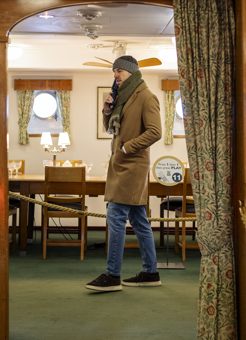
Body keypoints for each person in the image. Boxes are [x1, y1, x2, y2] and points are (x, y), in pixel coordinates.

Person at [86, 55, 162, 292]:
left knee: (116, 217)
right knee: (139, 220)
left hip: (132, 165)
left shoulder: (147, 96)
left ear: (131, 72)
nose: (115, 75)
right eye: (114, 71)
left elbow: (155, 132)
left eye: (118, 71)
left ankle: (112, 275)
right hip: (122, 164)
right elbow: (110, 128)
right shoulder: (125, 97)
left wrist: (127, 147)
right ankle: (151, 272)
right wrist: (107, 110)